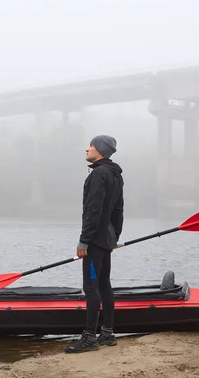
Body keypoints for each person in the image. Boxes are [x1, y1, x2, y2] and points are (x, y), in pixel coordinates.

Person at [65, 134, 124, 353]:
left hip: (95, 242)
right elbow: (118, 211)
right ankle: (107, 333)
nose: (87, 149)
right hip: (106, 240)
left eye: (90, 145)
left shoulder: (98, 174)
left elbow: (93, 210)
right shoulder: (116, 175)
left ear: (99, 149)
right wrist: (114, 237)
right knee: (104, 284)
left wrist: (84, 241)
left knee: (91, 286)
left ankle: (89, 337)